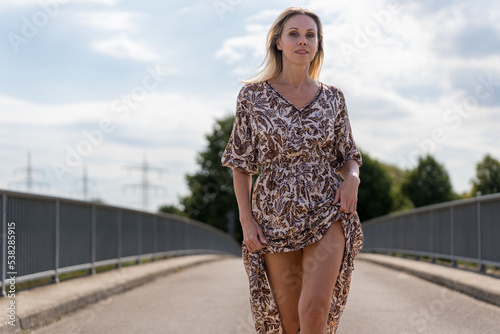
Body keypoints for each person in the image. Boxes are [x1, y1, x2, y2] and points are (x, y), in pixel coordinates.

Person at [221, 6, 363, 334]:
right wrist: (247, 220)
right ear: (279, 43)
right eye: (294, 34)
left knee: (315, 311)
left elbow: (348, 154)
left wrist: (352, 177)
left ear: (318, 45)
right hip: (273, 218)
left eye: (310, 35)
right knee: (290, 323)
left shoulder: (333, 98)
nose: (303, 41)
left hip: (327, 210)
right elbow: (241, 164)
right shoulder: (252, 97)